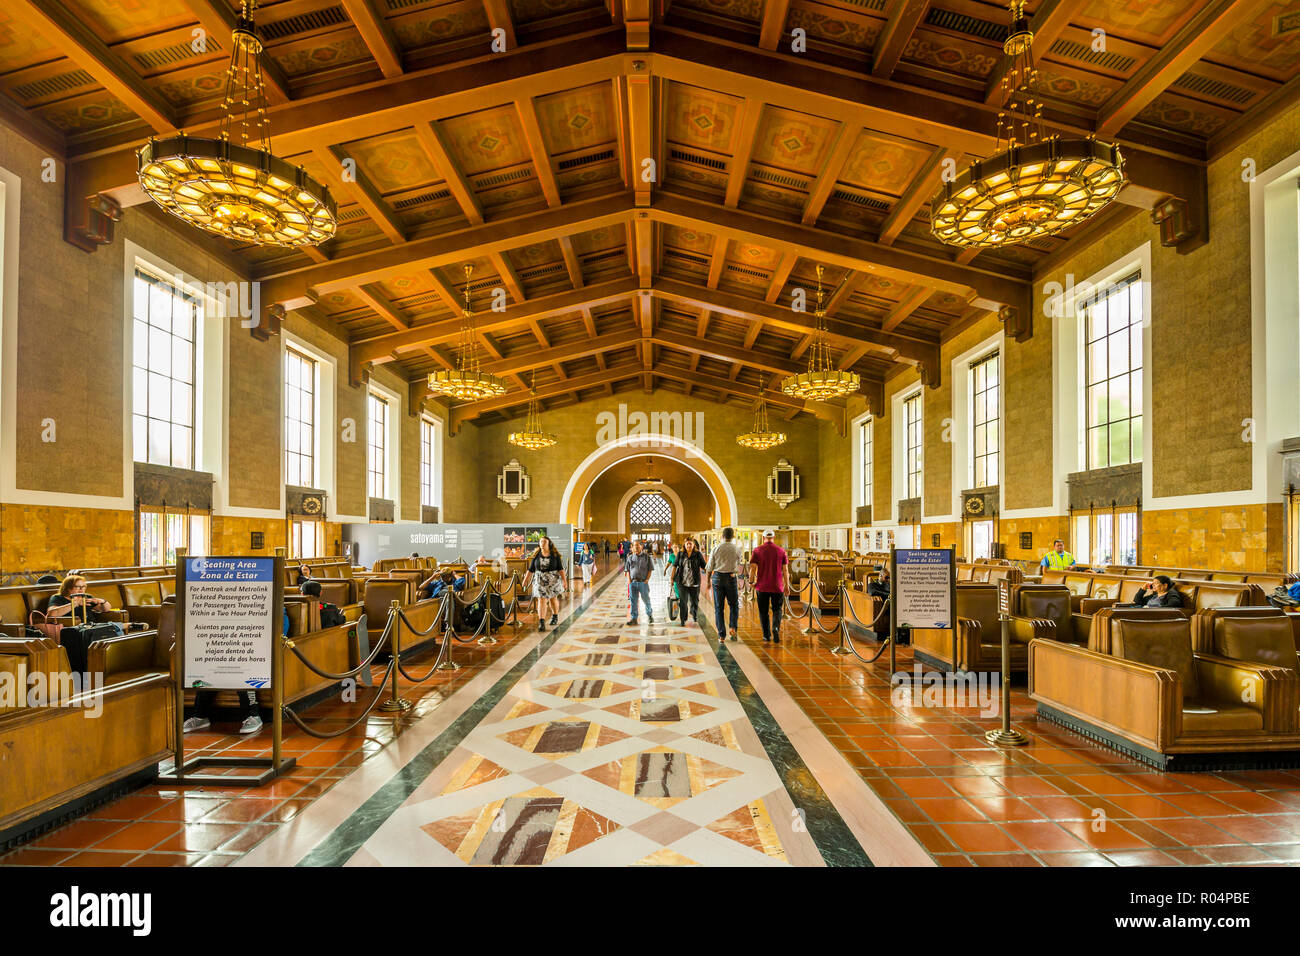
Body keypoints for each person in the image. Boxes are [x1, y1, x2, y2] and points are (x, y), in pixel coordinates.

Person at [45, 575, 125, 634]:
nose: (81, 589)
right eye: (77, 587)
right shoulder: (57, 598)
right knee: (114, 630)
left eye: (83, 586)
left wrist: (101, 601)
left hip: (91, 626)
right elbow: (51, 613)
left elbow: (106, 609)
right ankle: (120, 626)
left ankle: (117, 627)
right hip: (74, 628)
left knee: (116, 632)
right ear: (68, 588)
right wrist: (75, 603)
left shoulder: (86, 597)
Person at [749, 530, 788, 643]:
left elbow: (753, 568)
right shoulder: (781, 551)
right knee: (777, 610)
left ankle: (766, 635)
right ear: (774, 537)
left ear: (763, 537)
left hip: (762, 586)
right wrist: (787, 586)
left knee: (763, 611)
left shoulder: (757, 550)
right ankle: (775, 627)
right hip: (777, 586)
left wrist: (751, 581)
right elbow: (785, 570)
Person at [705, 527, 744, 641]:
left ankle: (721, 635)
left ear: (722, 536)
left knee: (718, 607)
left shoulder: (716, 548)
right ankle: (733, 627)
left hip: (717, 578)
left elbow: (709, 567)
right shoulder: (737, 549)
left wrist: (708, 581)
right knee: (733, 605)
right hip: (731, 577)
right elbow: (739, 562)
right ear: (732, 537)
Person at [527, 535, 567, 630]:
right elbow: (531, 569)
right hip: (540, 580)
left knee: (553, 599)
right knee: (541, 600)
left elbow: (560, 569)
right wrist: (525, 580)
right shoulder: (536, 555)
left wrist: (565, 581)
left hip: (553, 580)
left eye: (544, 542)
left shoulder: (555, 555)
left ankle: (555, 616)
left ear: (549, 543)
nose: (542, 544)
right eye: (541, 542)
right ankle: (542, 622)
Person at [673, 538, 707, 626]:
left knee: (694, 600)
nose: (689, 545)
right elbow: (675, 566)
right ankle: (683, 619)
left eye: (690, 544)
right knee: (683, 602)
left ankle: (694, 614)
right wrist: (671, 579)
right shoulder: (680, 554)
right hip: (682, 582)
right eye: (687, 544)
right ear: (684, 545)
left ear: (693, 545)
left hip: (694, 582)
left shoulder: (698, 554)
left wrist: (710, 573)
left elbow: (704, 566)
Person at [623, 539, 654, 626]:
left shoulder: (647, 557)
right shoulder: (630, 557)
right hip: (633, 583)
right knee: (633, 601)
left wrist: (647, 580)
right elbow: (627, 570)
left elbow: (650, 569)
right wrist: (629, 580)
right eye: (634, 545)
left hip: (642, 583)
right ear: (632, 547)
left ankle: (650, 615)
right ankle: (634, 618)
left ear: (641, 546)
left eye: (637, 545)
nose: (636, 547)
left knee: (646, 599)